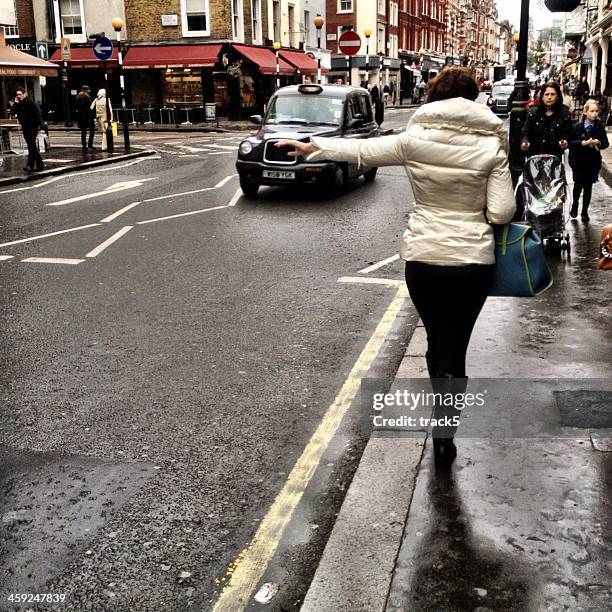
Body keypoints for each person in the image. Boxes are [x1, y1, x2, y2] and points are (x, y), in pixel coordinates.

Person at [274, 68, 516, 469]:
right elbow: (503, 210)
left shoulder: (414, 140)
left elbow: (363, 151)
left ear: (434, 98)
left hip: (424, 259)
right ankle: (446, 435)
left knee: (436, 340)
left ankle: (437, 410)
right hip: (472, 262)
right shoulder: (492, 148)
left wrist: (309, 146)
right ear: (474, 100)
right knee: (457, 347)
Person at [568, 99, 609, 222]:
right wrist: (582, 143)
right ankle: (575, 204)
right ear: (585, 112)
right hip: (578, 161)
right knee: (578, 185)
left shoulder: (599, 127)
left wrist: (599, 142)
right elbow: (570, 143)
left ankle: (584, 211)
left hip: (592, 162)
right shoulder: (577, 127)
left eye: (596, 111)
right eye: (592, 111)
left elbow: (605, 143)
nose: (595, 114)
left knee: (588, 187)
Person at [520, 80, 572, 160]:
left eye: (553, 94)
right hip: (535, 157)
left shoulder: (564, 114)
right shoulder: (533, 112)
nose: (549, 97)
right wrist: (525, 142)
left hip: (554, 158)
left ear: (558, 96)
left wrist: (564, 142)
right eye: (547, 94)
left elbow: (567, 133)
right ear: (542, 97)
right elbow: (526, 132)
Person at [11, 87, 45, 172]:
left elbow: (38, 114)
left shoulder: (31, 103)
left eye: (20, 94)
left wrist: (41, 125)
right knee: (32, 146)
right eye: (17, 94)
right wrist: (15, 103)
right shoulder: (18, 104)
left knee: (31, 145)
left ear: (24, 94)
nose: (18, 96)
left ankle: (30, 165)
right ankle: (40, 165)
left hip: (33, 127)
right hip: (25, 127)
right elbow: (12, 113)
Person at [76, 85, 95, 150]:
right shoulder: (87, 97)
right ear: (86, 91)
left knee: (83, 132)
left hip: (81, 116)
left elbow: (76, 106)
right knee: (92, 130)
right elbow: (91, 107)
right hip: (88, 116)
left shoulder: (77, 97)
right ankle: (90, 144)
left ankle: (84, 146)